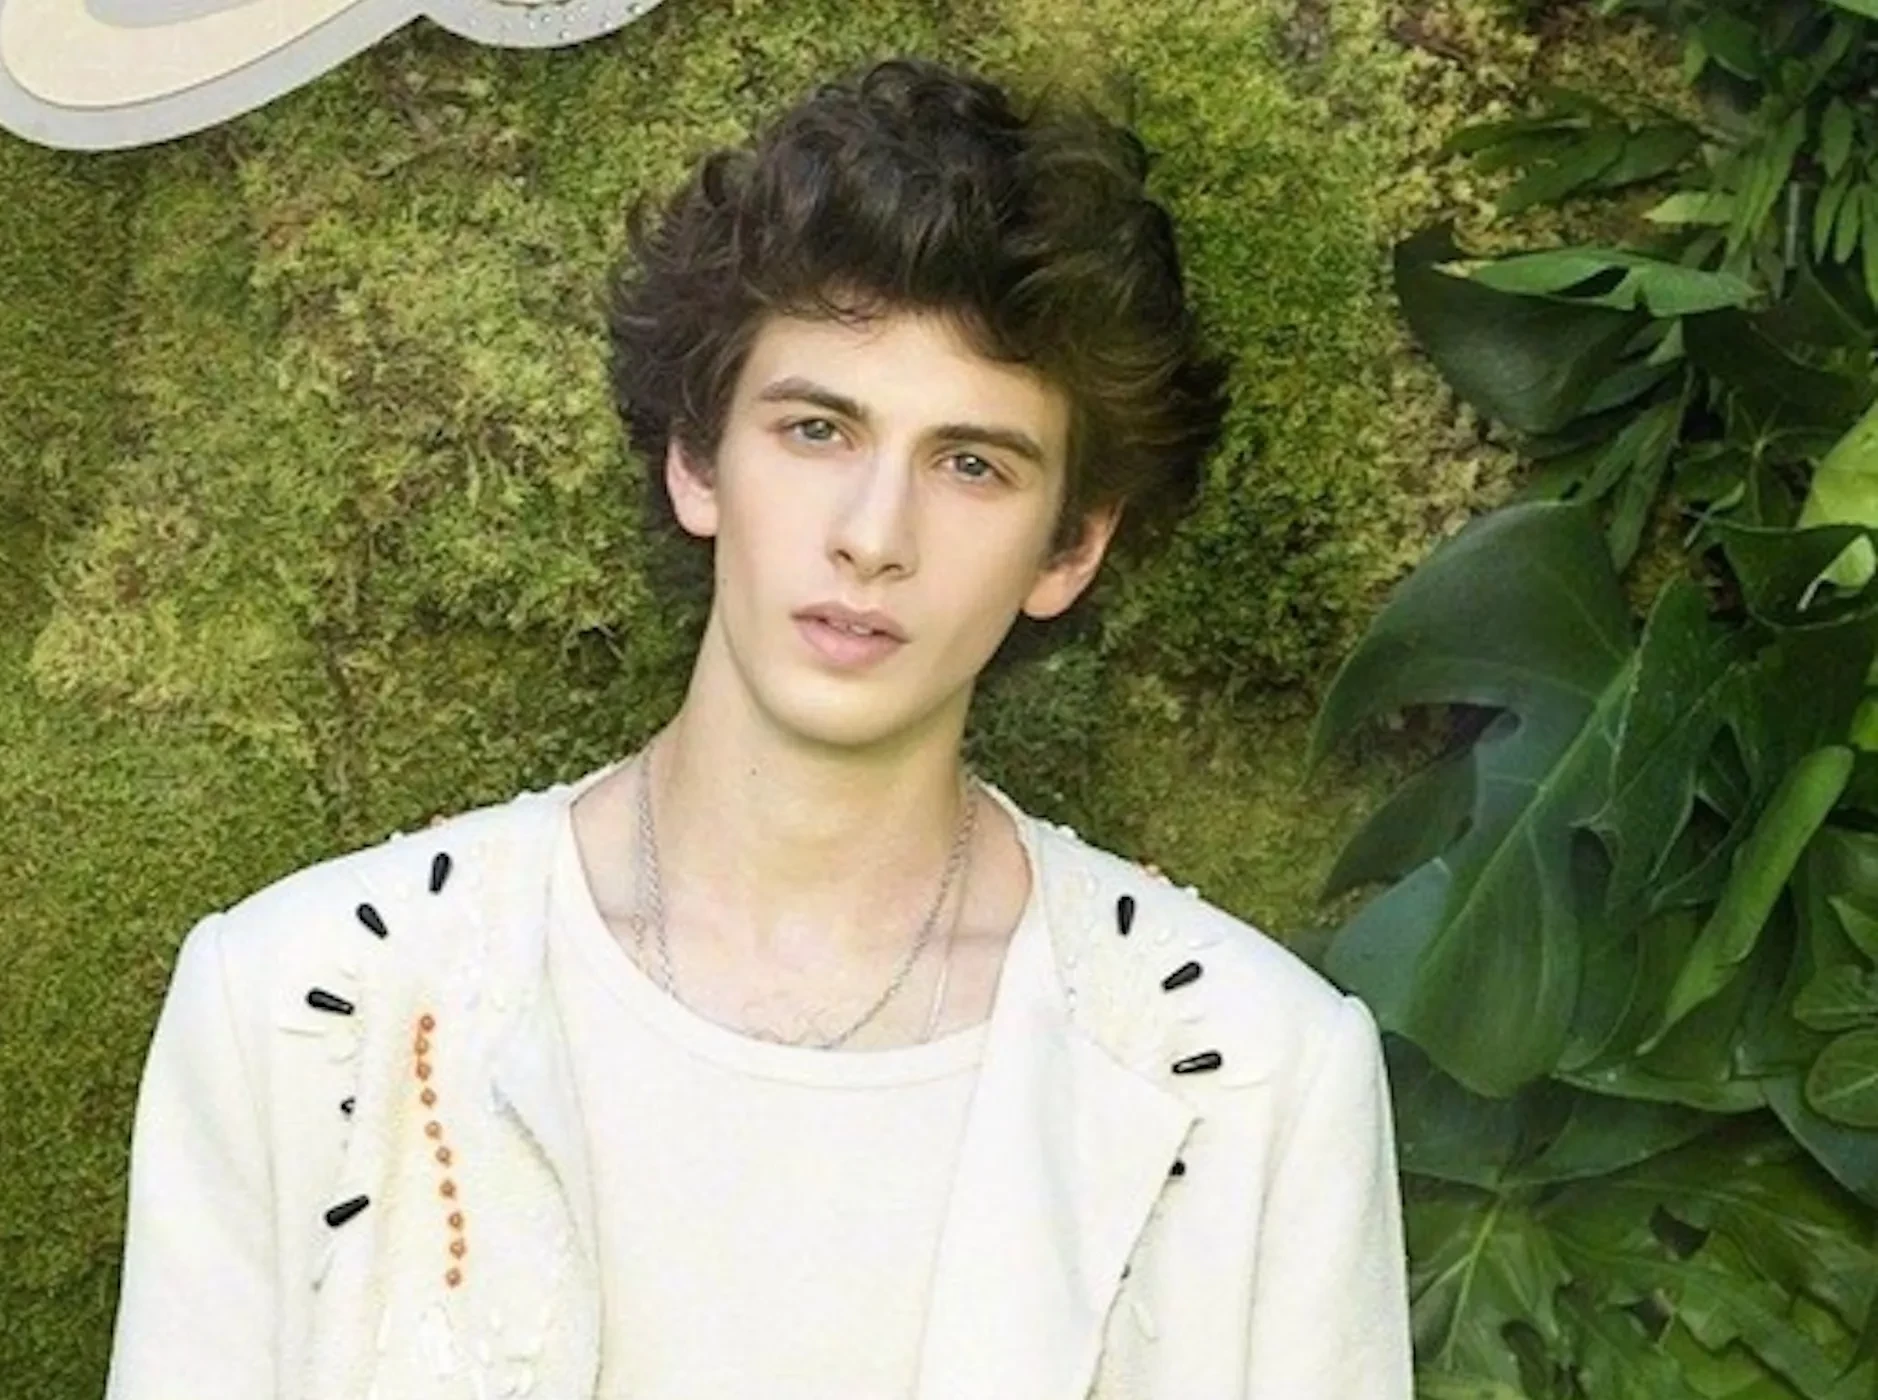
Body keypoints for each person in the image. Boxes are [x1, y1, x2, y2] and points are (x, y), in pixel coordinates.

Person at [103, 55, 1410, 1400]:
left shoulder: (1259, 1074)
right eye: (817, 430)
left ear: (1068, 547)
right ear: (697, 458)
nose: (873, 536)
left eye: (970, 464)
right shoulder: (295, 1004)